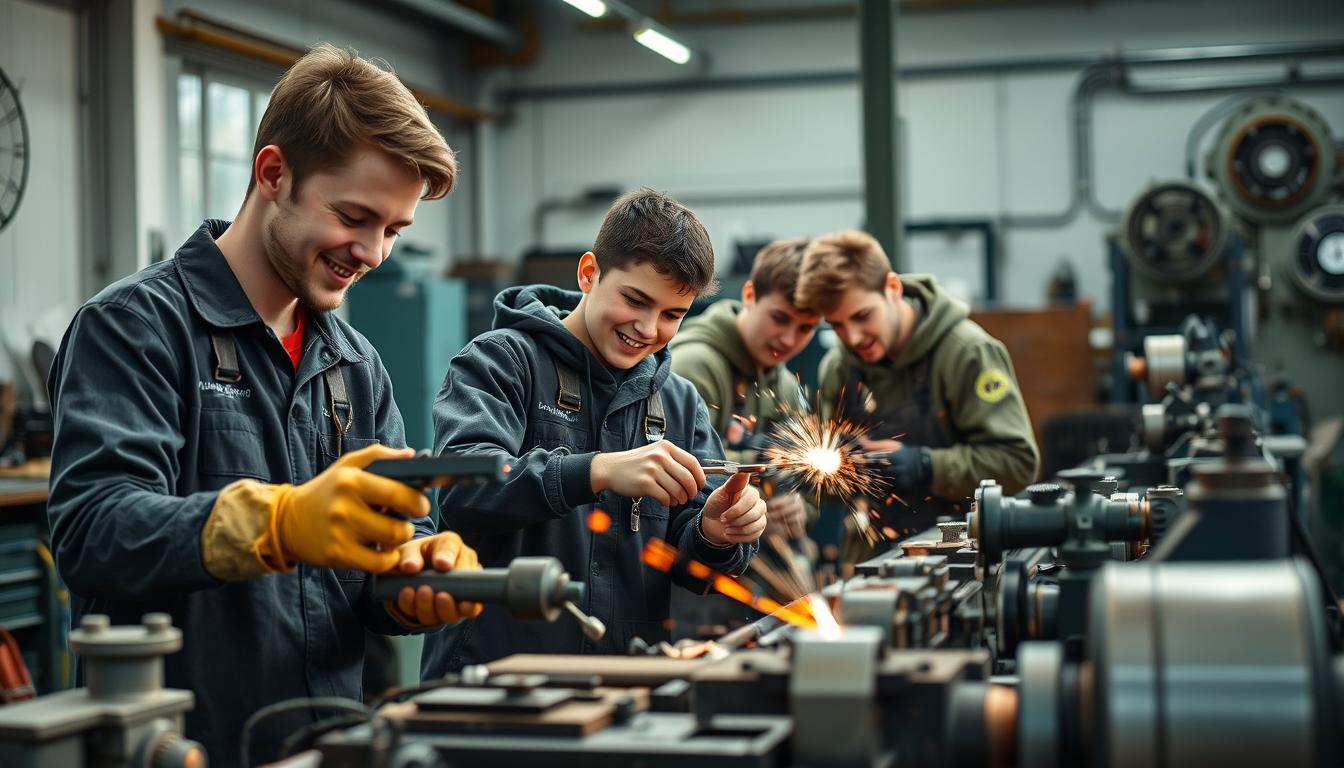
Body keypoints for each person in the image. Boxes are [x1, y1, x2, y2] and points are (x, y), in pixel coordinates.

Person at [46, 44, 481, 766]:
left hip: (330, 745)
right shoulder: (134, 327)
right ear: (273, 174)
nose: (373, 252)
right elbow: (94, 532)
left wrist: (417, 579)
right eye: (354, 216)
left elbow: (379, 566)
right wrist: (275, 523)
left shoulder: (355, 366)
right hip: (181, 747)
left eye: (394, 230)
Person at [422, 188, 767, 674]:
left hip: (622, 685)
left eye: (673, 315)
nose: (648, 328)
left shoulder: (680, 403)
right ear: (589, 273)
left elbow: (694, 565)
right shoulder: (501, 362)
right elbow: (462, 487)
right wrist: (597, 471)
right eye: (635, 300)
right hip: (494, 679)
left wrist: (715, 533)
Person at [794, 230, 1039, 566]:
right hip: (871, 567)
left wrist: (926, 466)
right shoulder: (839, 368)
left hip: (963, 558)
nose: (852, 337)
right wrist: (845, 469)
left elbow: (1018, 463)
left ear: (892, 289)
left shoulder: (967, 353)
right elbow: (826, 487)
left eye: (862, 316)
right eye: (836, 325)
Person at [668, 239, 819, 629]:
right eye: (780, 319)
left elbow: (800, 482)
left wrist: (798, 507)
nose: (789, 339)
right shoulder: (696, 367)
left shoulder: (783, 384)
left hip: (749, 573)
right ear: (750, 295)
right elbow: (678, 498)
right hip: (691, 584)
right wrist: (755, 509)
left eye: (805, 328)